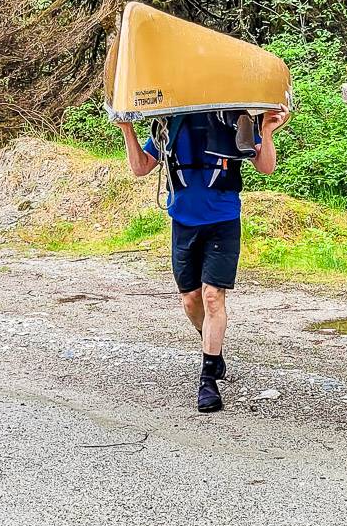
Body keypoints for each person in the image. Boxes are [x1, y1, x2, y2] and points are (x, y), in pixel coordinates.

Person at [115, 108, 289, 412]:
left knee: (212, 297)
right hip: (183, 222)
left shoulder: (234, 118)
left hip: (223, 221)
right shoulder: (169, 122)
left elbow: (266, 167)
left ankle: (207, 379)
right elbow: (142, 167)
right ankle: (212, 346)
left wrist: (269, 130)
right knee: (191, 300)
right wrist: (126, 127)